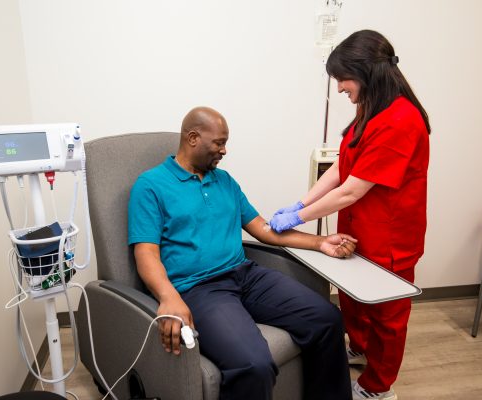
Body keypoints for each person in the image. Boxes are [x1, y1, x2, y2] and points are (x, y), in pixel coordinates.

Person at [128, 106, 357, 400]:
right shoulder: (151, 186)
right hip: (198, 289)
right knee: (253, 363)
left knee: (328, 319)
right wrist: (168, 296)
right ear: (193, 138)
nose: (224, 151)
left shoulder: (224, 181)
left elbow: (262, 227)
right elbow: (145, 252)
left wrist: (320, 242)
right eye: (219, 143)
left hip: (246, 275)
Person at [270, 30, 430, 400]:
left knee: (388, 316)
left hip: (391, 236)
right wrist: (300, 203)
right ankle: (359, 348)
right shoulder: (370, 107)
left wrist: (299, 218)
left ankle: (378, 386)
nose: (340, 88)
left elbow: (352, 190)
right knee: (354, 301)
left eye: (343, 78)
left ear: (365, 72)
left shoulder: (401, 120)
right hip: (359, 228)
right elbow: (344, 165)